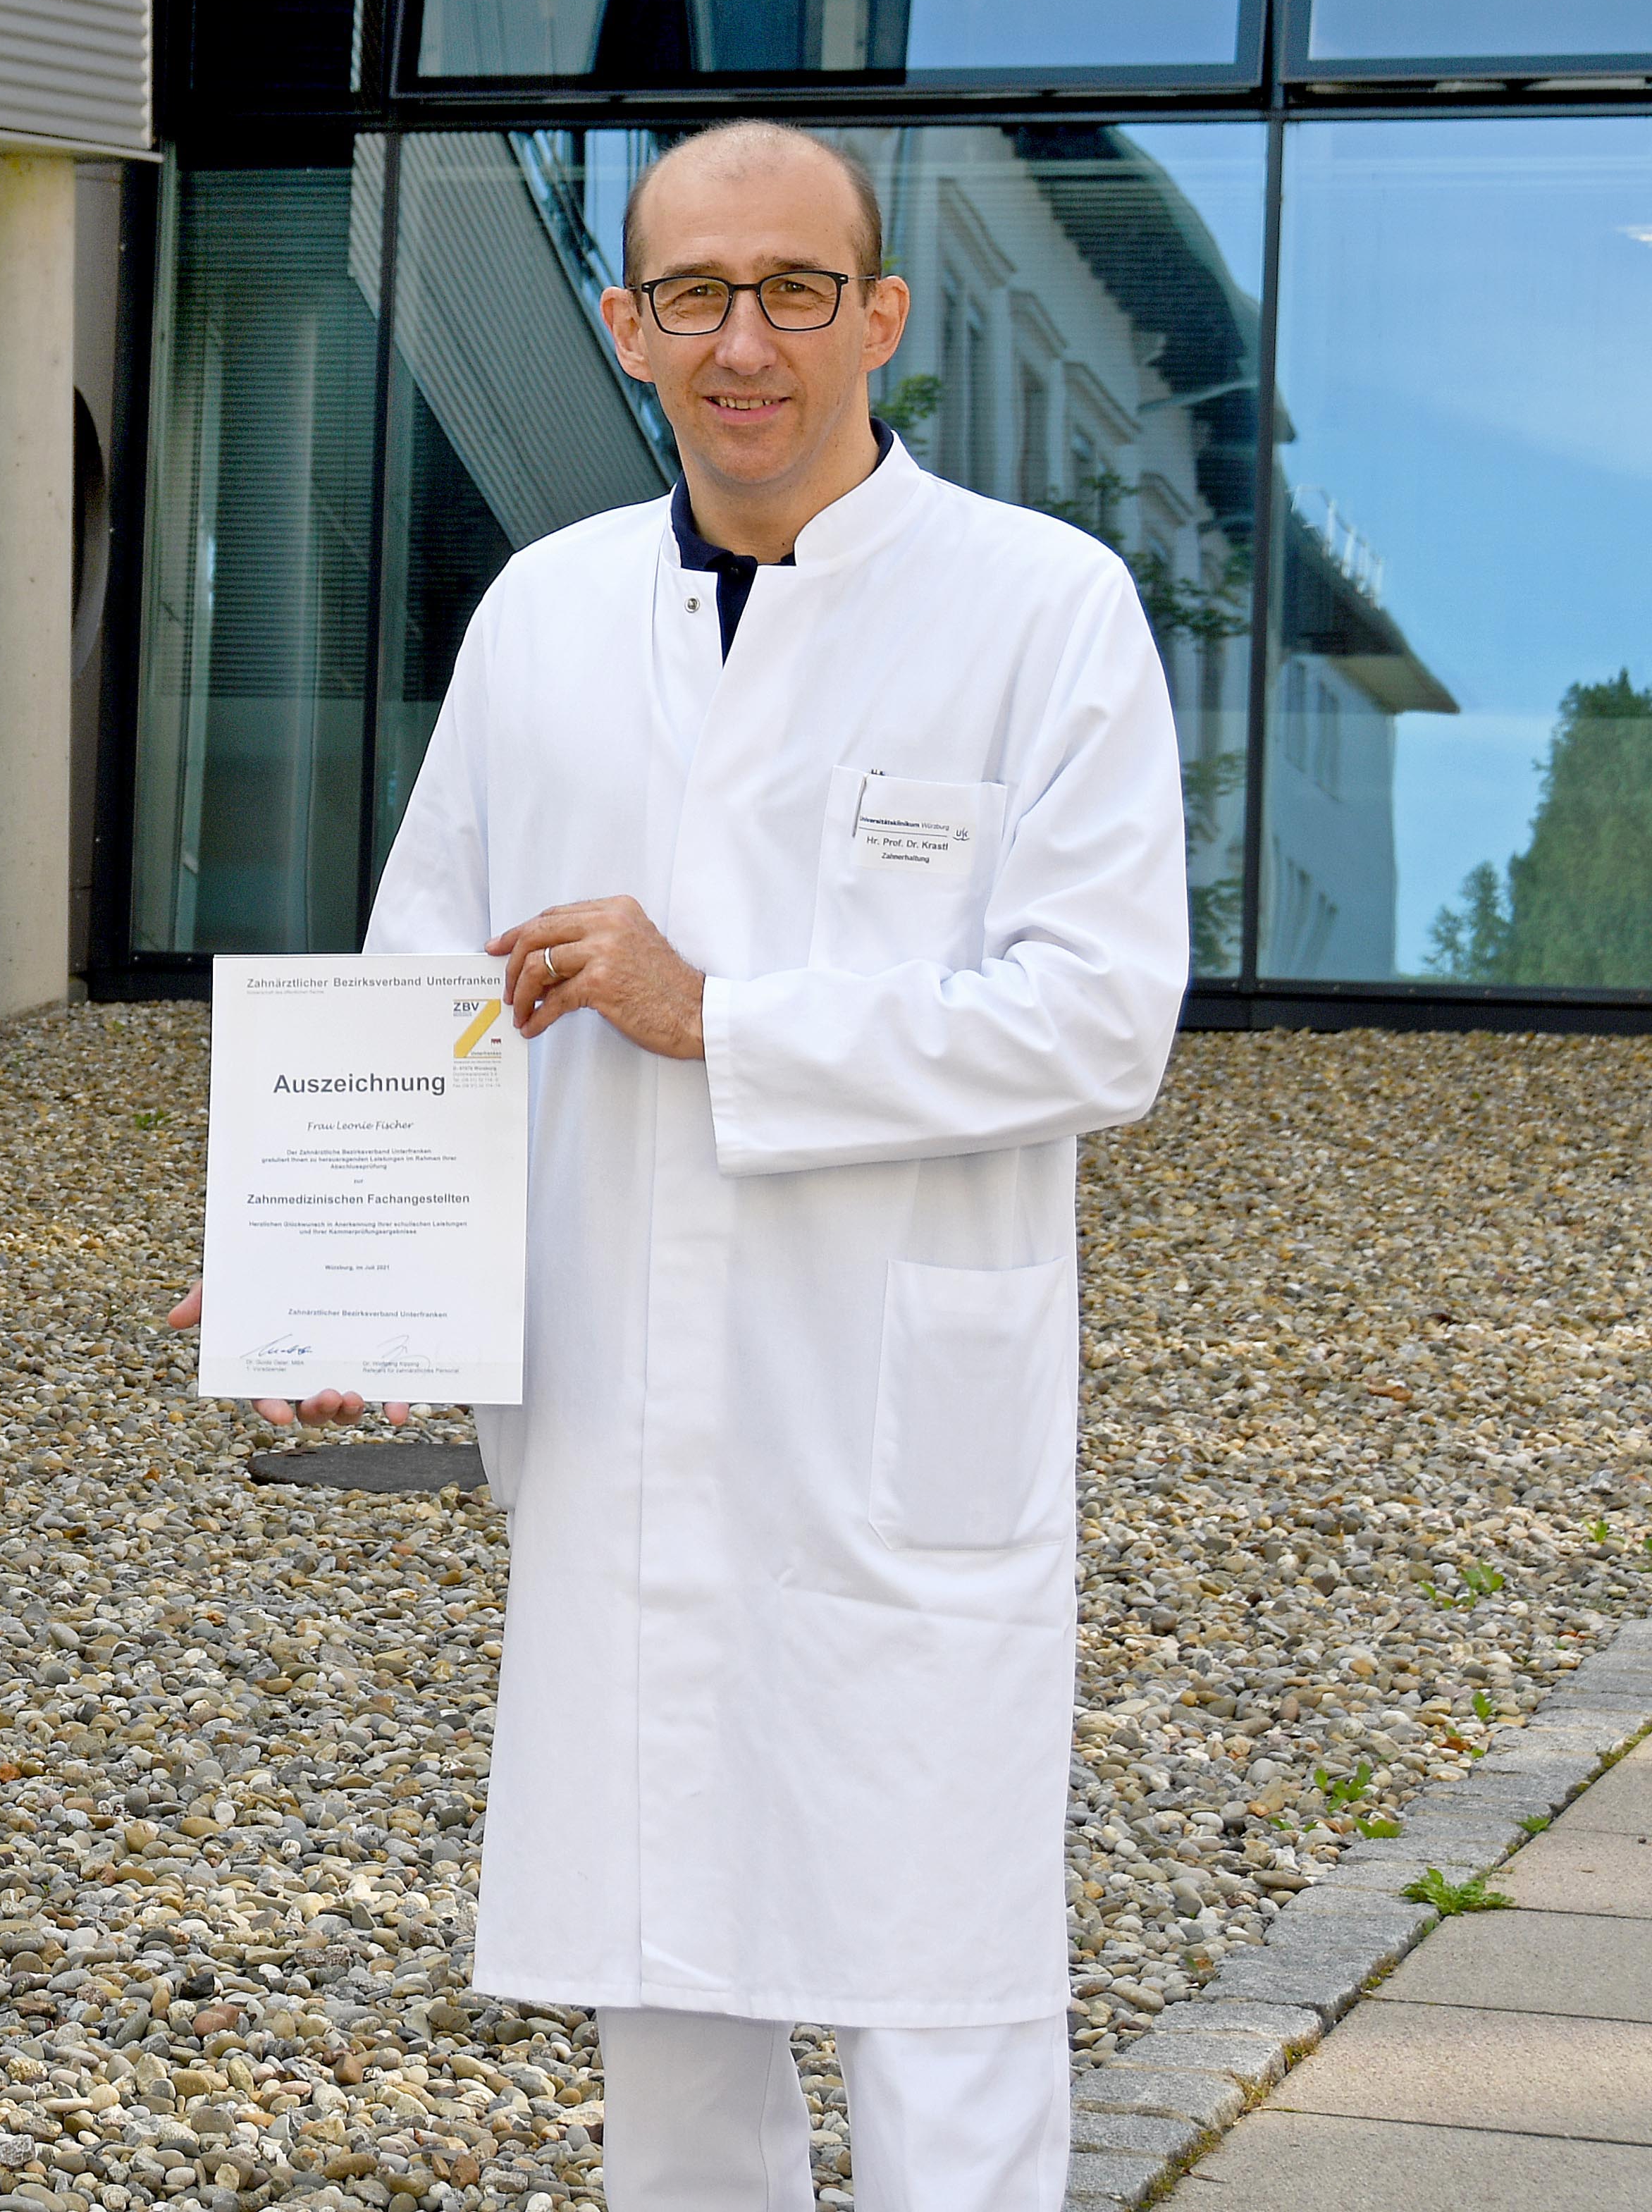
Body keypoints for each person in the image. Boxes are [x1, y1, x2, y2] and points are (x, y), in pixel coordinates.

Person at [187, 121, 1191, 2208]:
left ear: (880, 319)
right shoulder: (547, 613)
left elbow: (1105, 1017)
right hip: (625, 1409)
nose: (750, 341)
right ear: (628, 328)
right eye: (698, 297)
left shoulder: (1042, 607)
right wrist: (328, 1273)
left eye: (798, 290)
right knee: (670, 1986)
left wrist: (717, 1013)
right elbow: (414, 994)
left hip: (899, 1402)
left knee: (942, 1990)